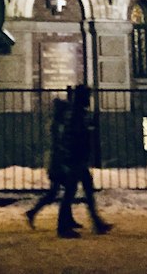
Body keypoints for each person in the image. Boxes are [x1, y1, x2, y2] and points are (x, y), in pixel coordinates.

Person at [57, 84, 113, 239]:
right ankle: (63, 227)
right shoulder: (76, 114)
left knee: (84, 189)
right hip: (76, 158)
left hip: (77, 158)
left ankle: (95, 222)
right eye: (88, 96)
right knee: (71, 191)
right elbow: (74, 137)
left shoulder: (78, 113)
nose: (89, 99)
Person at [25, 96, 79, 229]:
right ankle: (34, 213)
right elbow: (59, 145)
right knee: (68, 190)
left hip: (56, 162)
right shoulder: (58, 125)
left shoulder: (56, 124)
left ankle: (34, 213)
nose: (69, 113)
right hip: (58, 163)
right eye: (66, 110)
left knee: (58, 191)